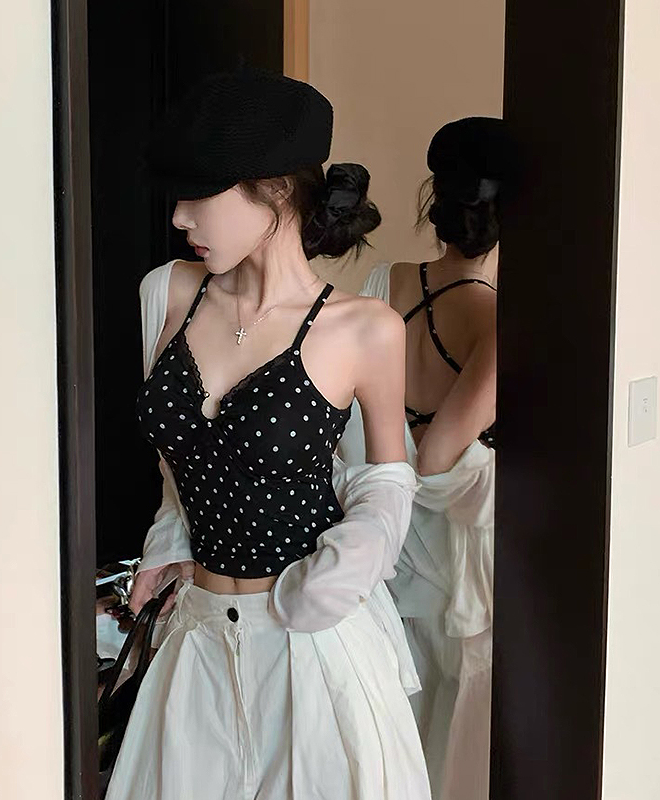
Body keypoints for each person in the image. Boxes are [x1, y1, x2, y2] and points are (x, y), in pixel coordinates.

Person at [103, 67, 432, 800]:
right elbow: (180, 462)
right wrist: (169, 542)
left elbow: (386, 475)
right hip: (196, 637)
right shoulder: (167, 292)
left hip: (312, 645)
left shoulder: (363, 328)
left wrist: (345, 572)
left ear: (277, 190)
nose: (180, 217)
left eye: (200, 195)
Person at [337, 116, 511, 800]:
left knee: (389, 722)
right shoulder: (498, 321)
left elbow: (353, 421)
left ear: (434, 199)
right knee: (449, 729)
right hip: (450, 563)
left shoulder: (385, 280)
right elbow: (437, 459)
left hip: (376, 541)